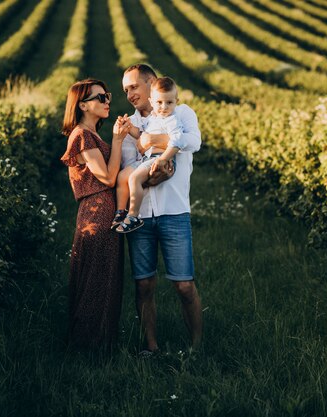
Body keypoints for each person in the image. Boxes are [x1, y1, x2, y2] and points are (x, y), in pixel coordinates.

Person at [120, 64, 203, 355]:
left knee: (184, 285)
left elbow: (194, 141)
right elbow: (128, 168)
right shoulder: (129, 125)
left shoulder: (182, 112)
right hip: (141, 217)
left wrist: (155, 141)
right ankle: (151, 346)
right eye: (125, 90)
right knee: (144, 284)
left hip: (174, 210)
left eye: (134, 87)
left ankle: (196, 346)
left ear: (151, 83)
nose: (129, 94)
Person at [60, 78, 130, 350]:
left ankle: (98, 345)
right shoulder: (82, 135)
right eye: (101, 98)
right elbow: (108, 177)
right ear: (83, 105)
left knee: (104, 279)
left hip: (101, 211)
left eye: (108, 96)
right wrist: (117, 139)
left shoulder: (91, 134)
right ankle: (88, 347)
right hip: (96, 212)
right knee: (96, 281)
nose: (108, 101)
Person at [112, 76, 182, 234]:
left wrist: (164, 159)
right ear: (152, 102)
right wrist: (129, 127)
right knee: (123, 176)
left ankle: (133, 216)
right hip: (147, 159)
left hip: (159, 158)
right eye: (159, 103)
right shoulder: (153, 120)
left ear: (176, 101)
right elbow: (141, 135)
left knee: (134, 178)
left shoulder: (172, 120)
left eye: (169, 103)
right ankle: (120, 212)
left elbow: (178, 142)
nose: (164, 107)